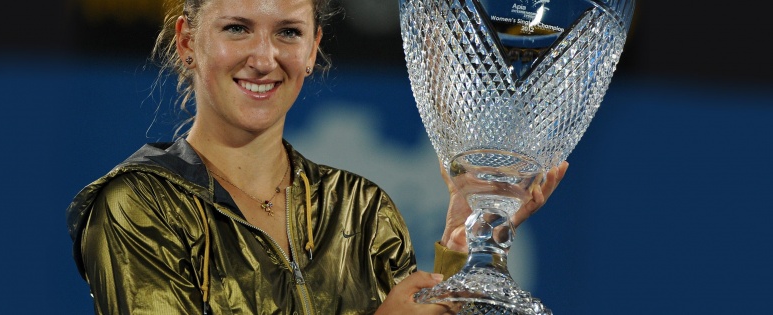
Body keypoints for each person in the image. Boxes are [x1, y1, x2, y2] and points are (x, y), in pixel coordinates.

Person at [65, 0, 568, 314]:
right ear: (187, 41)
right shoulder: (137, 205)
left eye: (288, 32)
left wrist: (465, 245)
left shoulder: (361, 208)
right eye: (237, 28)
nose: (264, 58)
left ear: (312, 48)